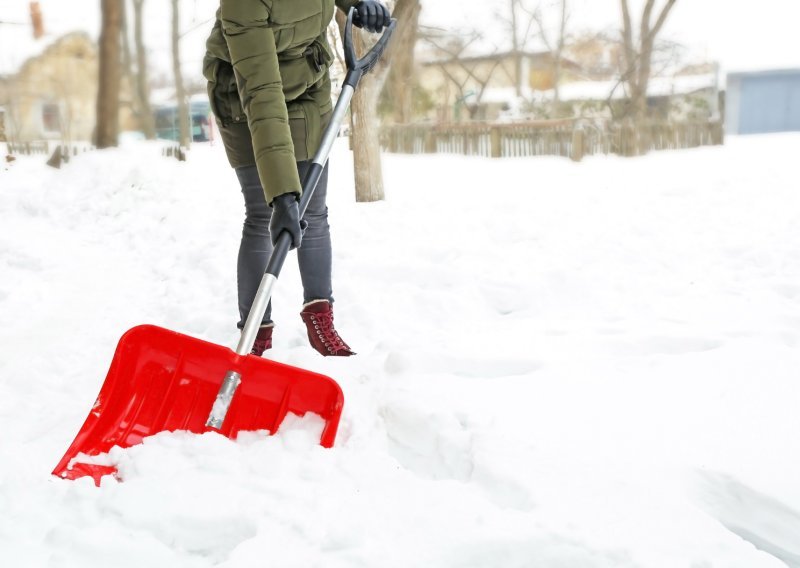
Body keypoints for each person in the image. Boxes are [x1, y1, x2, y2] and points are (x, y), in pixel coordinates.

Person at [203, 0, 391, 357]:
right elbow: (262, 94)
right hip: (245, 96)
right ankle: (256, 332)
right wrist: (282, 195)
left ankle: (320, 316)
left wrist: (361, 3)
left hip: (307, 82)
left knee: (313, 213)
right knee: (264, 214)